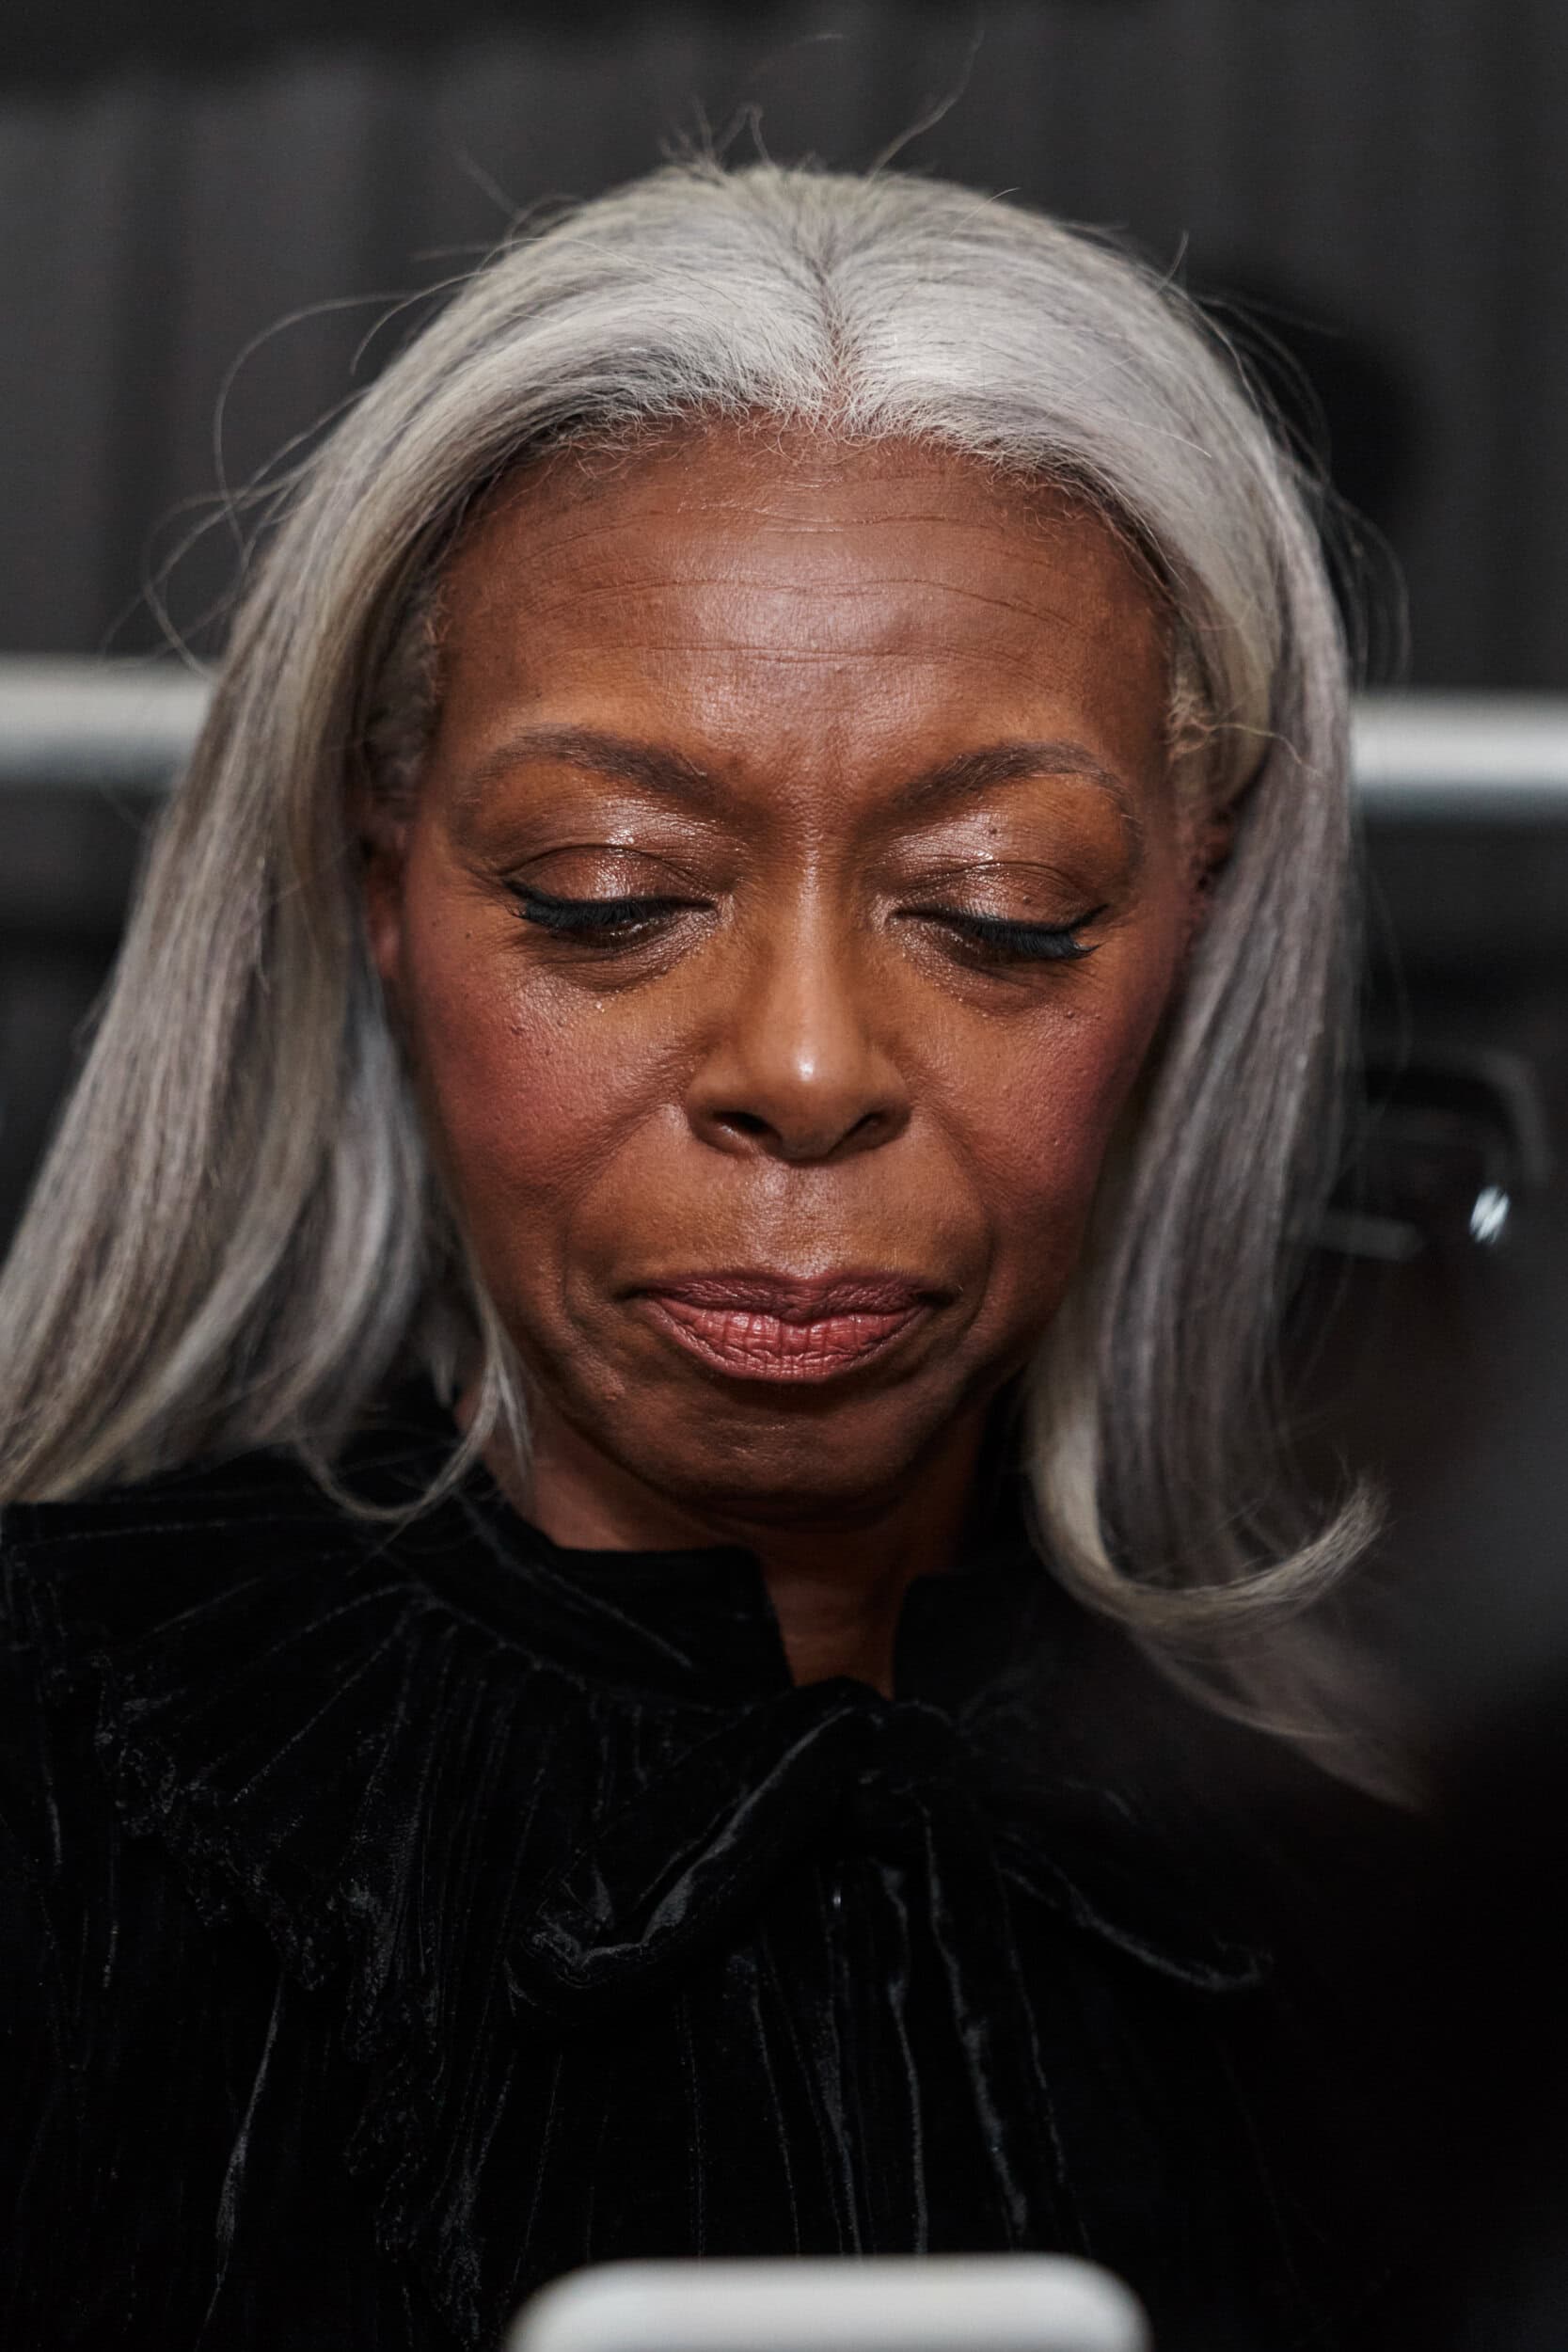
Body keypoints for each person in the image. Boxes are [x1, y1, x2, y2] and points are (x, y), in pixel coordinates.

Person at [0, 162, 1439, 2349]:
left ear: (1199, 917)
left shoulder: (1409, 1872)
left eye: (1002, 908)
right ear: (382, 882)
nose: (805, 1065)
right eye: (608, 890)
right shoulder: (63, 1782)